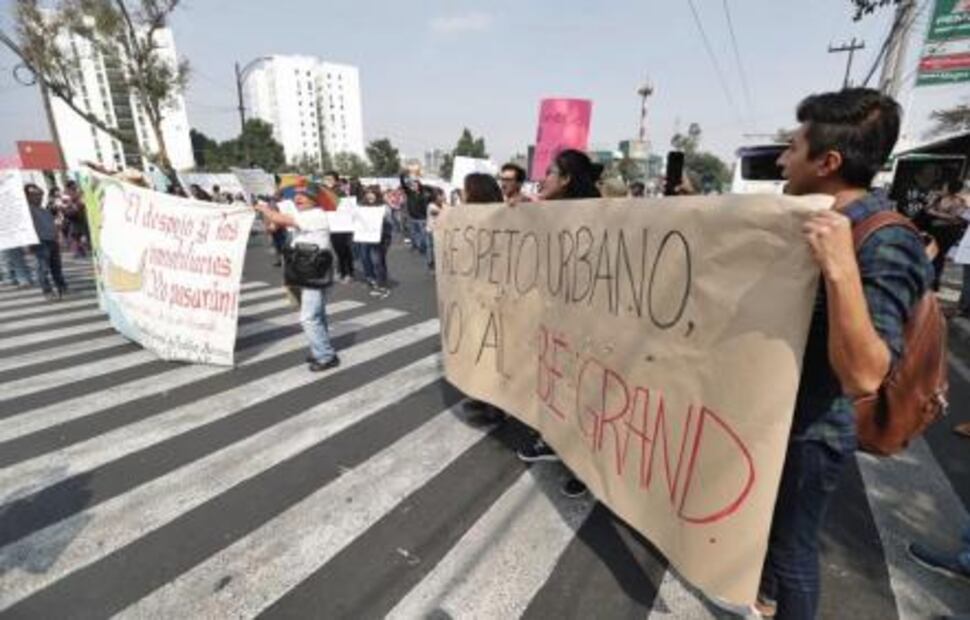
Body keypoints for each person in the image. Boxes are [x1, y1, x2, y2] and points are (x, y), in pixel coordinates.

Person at [754, 88, 933, 620]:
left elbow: (864, 374)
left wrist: (839, 268)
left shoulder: (885, 240)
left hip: (815, 431)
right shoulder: (805, 219)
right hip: (776, 414)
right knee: (770, 535)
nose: (783, 159)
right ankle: (760, 602)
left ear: (828, 162)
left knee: (793, 552)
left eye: (793, 147)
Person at [516, 149, 605, 499]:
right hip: (557, 322)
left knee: (587, 396)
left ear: (567, 179)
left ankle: (587, 468)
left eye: (551, 172)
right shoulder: (546, 212)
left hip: (593, 326)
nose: (544, 178)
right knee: (558, 386)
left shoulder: (603, 215)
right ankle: (558, 444)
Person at [254, 187, 340, 372]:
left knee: (308, 318)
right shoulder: (305, 214)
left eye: (304, 196)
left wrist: (264, 209)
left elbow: (280, 219)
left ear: (314, 200)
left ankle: (325, 356)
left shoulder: (314, 214)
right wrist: (270, 211)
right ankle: (321, 349)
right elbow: (274, 226)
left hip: (313, 272)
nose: (298, 198)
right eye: (296, 196)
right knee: (317, 315)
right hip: (306, 270)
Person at [25, 183, 67, 300]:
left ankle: (61, 286)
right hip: (40, 242)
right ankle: (47, 291)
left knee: (56, 267)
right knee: (43, 268)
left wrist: (58, 227)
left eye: (40, 193)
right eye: (35, 194)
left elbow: (52, 225)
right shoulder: (28, 210)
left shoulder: (44, 210)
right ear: (27, 196)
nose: (39, 196)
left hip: (52, 240)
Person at [924, 179, 968, 290]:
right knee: (932, 255)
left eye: (945, 186)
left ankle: (933, 281)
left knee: (938, 256)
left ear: (950, 188)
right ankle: (930, 280)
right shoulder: (939, 198)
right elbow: (927, 209)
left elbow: (957, 218)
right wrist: (932, 201)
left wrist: (936, 214)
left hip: (947, 232)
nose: (942, 188)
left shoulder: (958, 201)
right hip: (934, 231)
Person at [359, 186, 392, 297]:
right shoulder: (361, 207)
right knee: (365, 259)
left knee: (377, 260)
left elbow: (389, 223)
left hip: (379, 238)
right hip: (364, 237)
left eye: (372, 193)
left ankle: (381, 281)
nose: (370, 195)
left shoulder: (384, 207)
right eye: (367, 193)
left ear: (377, 195)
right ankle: (370, 278)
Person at [323, 170, 355, 283]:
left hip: (343, 225)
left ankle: (348, 272)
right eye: (326, 179)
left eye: (330, 179)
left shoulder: (339, 192)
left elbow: (346, 207)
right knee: (337, 250)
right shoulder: (325, 192)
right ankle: (342, 271)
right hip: (332, 225)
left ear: (336, 181)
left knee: (344, 250)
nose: (327, 181)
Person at [400, 171, 434, 263]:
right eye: (412, 185)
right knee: (415, 236)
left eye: (415, 184)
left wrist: (421, 183)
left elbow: (431, 190)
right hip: (413, 219)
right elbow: (403, 186)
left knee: (423, 237)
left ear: (419, 185)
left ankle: (424, 250)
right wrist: (402, 175)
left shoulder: (423, 194)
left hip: (422, 219)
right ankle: (420, 248)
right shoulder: (410, 193)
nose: (413, 186)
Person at [63, 180, 89, 258]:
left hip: (79, 216)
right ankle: (78, 251)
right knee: (75, 235)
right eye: (73, 186)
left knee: (79, 234)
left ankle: (81, 251)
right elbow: (66, 206)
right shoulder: (66, 195)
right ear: (69, 187)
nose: (75, 187)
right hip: (72, 217)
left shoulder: (76, 194)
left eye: (75, 186)